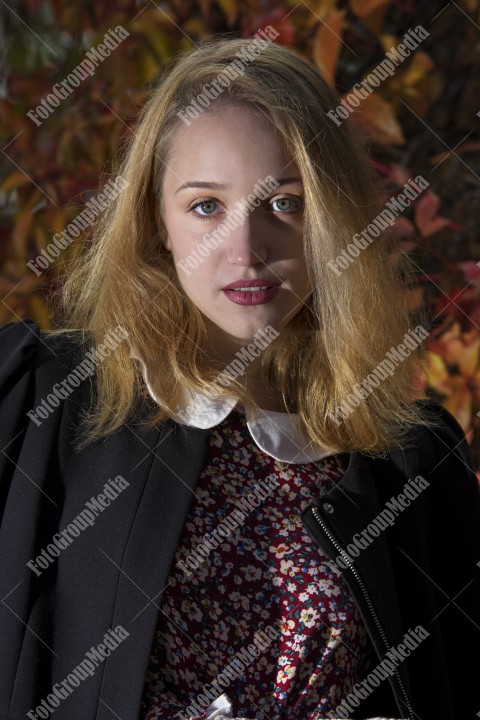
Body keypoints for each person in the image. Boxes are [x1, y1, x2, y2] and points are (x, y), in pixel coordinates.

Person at [0, 33, 479, 720]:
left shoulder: (408, 462)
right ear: (155, 222)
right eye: (205, 207)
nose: (247, 251)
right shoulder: (45, 407)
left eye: (284, 203)